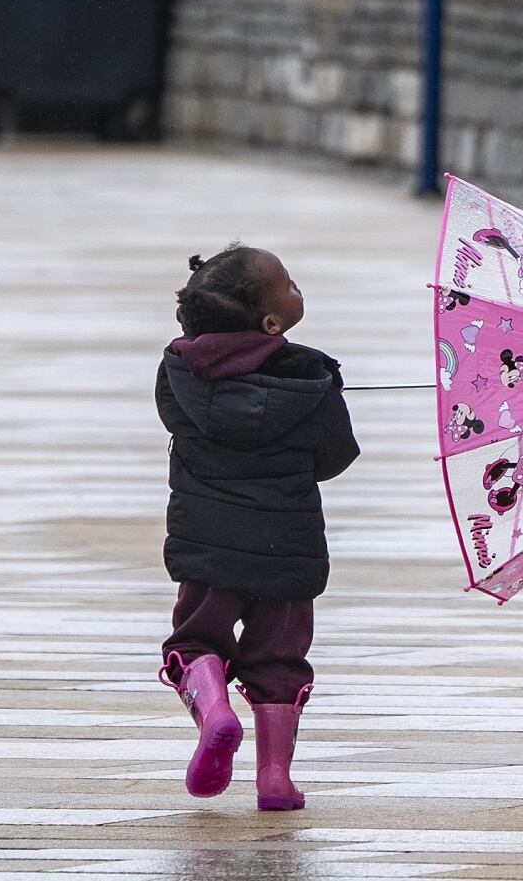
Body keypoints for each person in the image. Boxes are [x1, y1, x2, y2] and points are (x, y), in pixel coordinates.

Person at [155, 245, 360, 810]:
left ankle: (214, 711)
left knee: (197, 639)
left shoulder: (178, 372)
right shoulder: (311, 380)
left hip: (207, 545)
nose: (298, 288)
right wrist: (322, 404)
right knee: (278, 659)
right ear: (273, 323)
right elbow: (334, 459)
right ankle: (275, 777)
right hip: (287, 551)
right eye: (289, 284)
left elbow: (177, 422)